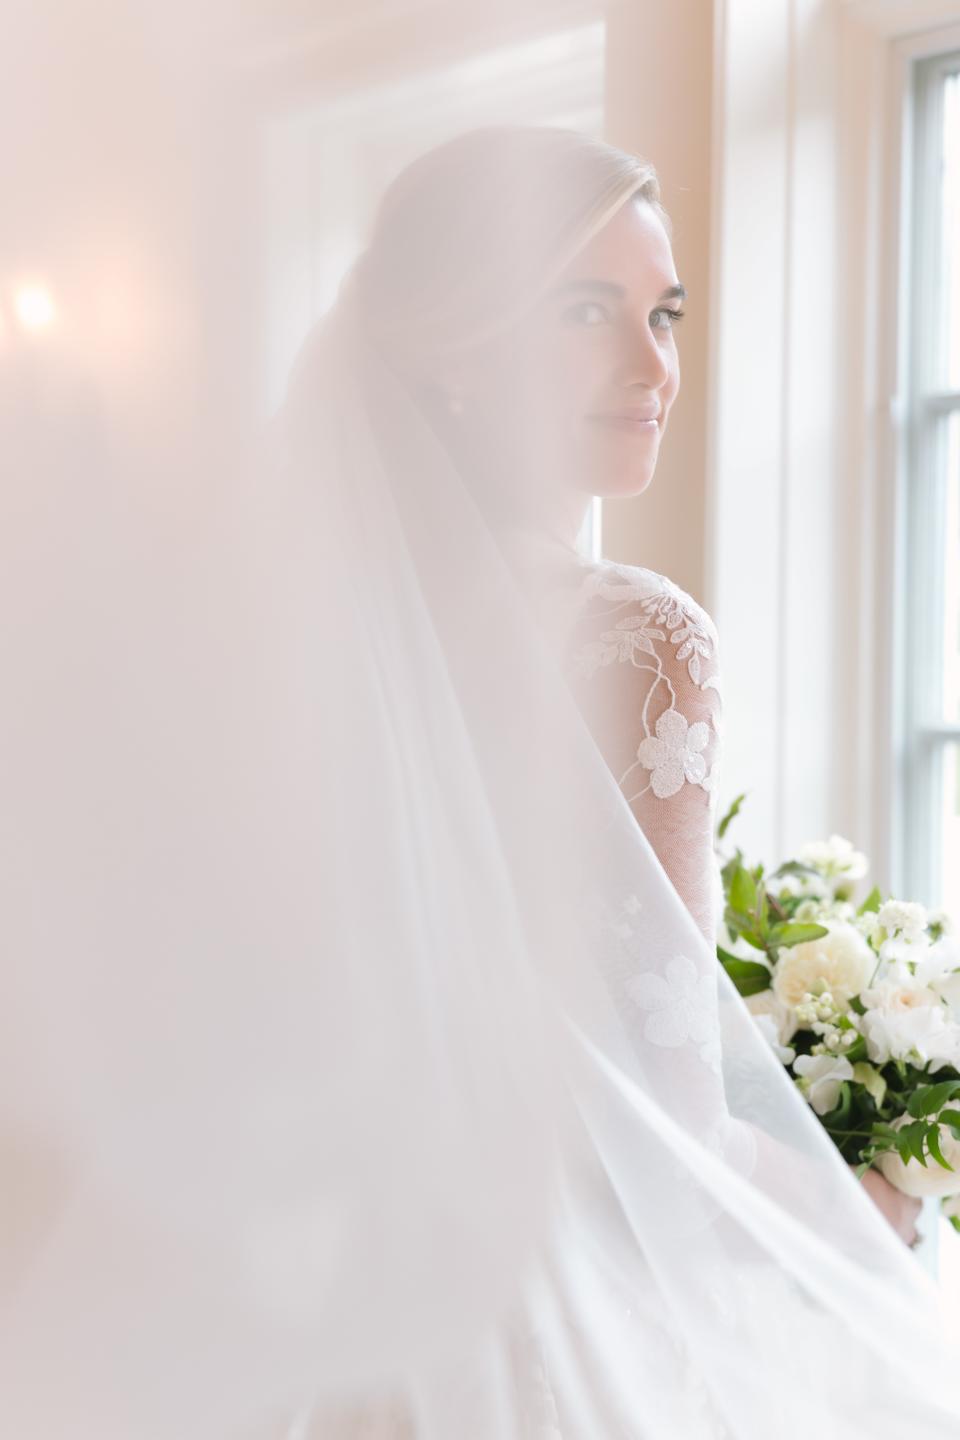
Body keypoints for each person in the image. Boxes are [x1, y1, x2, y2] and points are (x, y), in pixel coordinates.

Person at [0, 119, 953, 1438]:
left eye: (664, 313)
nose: (651, 366)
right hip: (526, 1346)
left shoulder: (259, 636)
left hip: (275, 1319)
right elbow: (655, 1159)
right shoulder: (641, 644)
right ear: (453, 348)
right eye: (584, 310)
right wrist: (862, 1214)